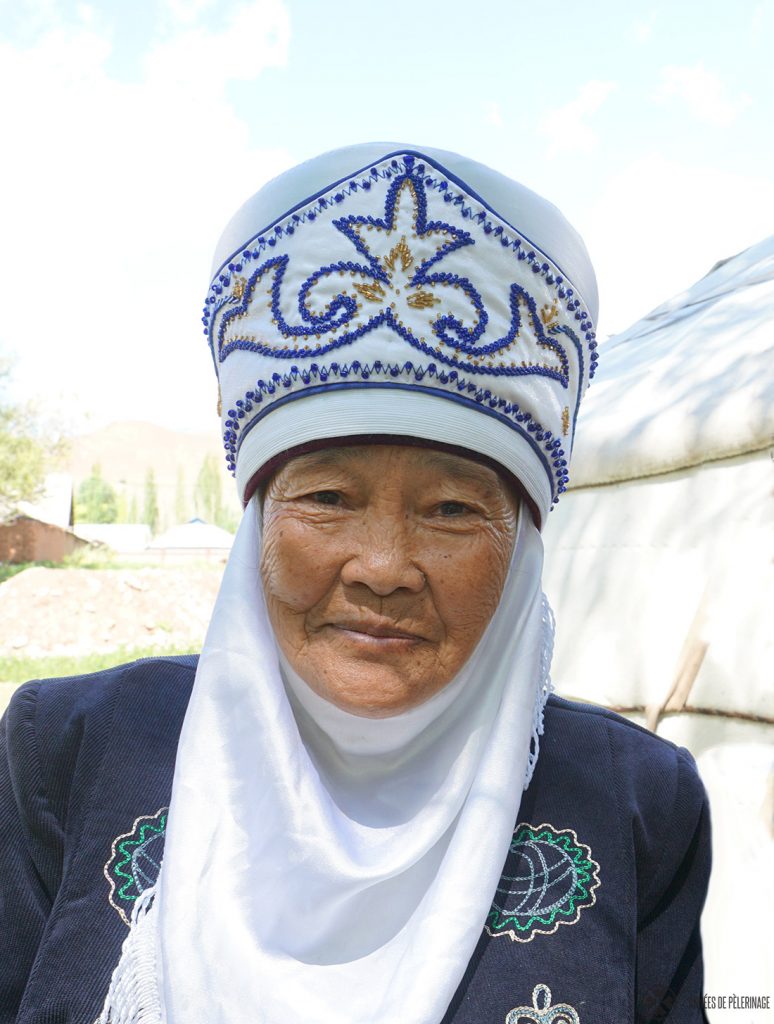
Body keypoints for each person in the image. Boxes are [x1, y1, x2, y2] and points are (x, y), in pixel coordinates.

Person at [0, 143, 711, 1024]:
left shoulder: (637, 800)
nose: (382, 567)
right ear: (259, 523)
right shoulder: (72, 751)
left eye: (453, 509)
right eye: (328, 497)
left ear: (523, 546)